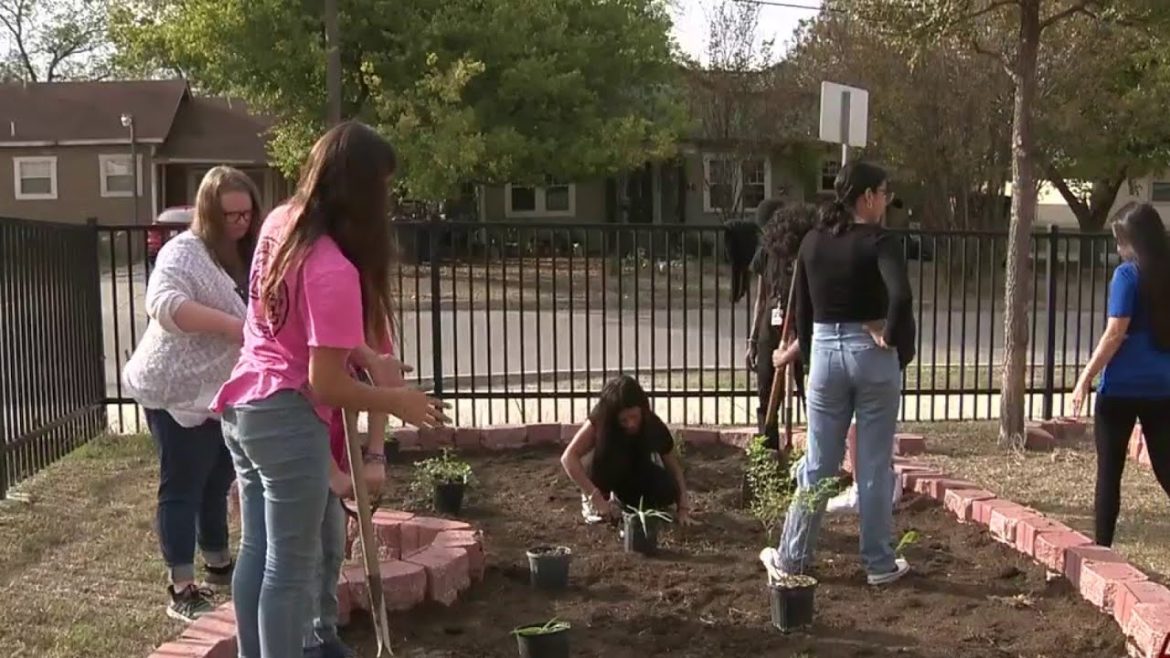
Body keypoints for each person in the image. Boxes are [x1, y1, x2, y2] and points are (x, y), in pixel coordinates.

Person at [211, 121, 448, 658]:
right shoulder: (333, 267)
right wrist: (398, 402)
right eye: (383, 186)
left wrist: (367, 355)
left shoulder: (281, 223)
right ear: (360, 188)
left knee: (258, 550)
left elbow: (292, 323)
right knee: (288, 569)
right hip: (286, 418)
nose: (386, 200)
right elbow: (325, 381)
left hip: (244, 405)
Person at [759, 161, 915, 587]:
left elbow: (804, 315)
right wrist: (895, 341)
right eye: (884, 193)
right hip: (872, 354)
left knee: (819, 463)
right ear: (866, 197)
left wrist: (812, 360)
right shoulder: (880, 241)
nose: (886, 201)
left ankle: (793, 558)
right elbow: (900, 295)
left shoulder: (812, 242)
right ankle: (879, 563)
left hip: (826, 352)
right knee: (873, 463)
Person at [122, 166, 262, 622]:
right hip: (173, 388)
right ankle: (181, 588)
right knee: (182, 483)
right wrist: (235, 329)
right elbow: (163, 305)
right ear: (208, 213)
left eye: (246, 213)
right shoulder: (184, 252)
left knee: (218, 476)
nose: (240, 223)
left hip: (220, 389)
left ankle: (219, 560)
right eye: (230, 216)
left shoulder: (251, 252)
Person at [1070, 202, 1170, 547]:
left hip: (1120, 390)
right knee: (1165, 464)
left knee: (1110, 472)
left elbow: (1115, 333)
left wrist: (1084, 378)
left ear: (1134, 242)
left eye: (1120, 242)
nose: (1117, 250)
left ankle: (1102, 548)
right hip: (1161, 387)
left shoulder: (1127, 275)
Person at [561, 375, 692, 524]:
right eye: (624, 420)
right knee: (615, 458)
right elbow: (568, 457)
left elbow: (674, 467)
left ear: (641, 411)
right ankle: (602, 500)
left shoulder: (651, 423)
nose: (631, 424)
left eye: (634, 417)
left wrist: (683, 507)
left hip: (632, 476)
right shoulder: (600, 421)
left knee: (665, 488)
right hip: (603, 473)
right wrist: (594, 496)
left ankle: (622, 501)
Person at [746, 200, 816, 442]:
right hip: (772, 322)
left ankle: (817, 442)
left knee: (810, 388)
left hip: (800, 322)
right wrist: (753, 338)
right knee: (766, 388)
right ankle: (768, 444)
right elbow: (761, 297)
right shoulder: (765, 253)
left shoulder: (803, 250)